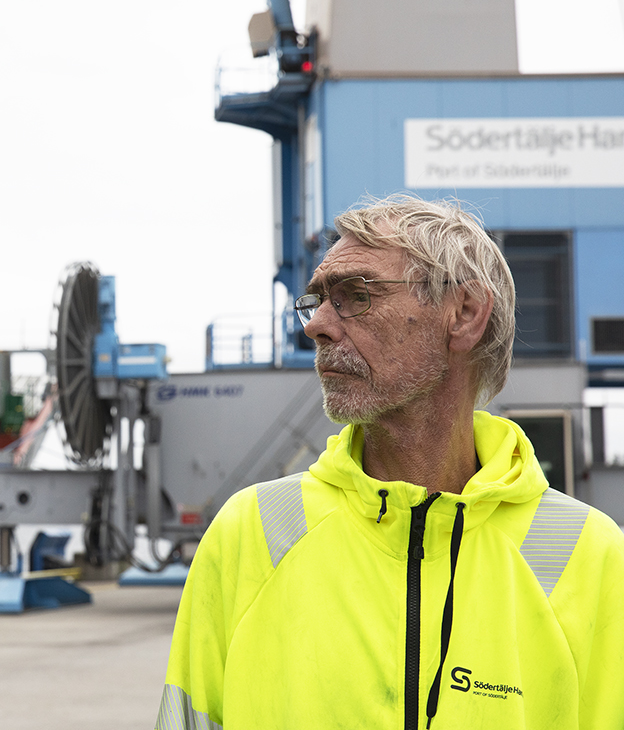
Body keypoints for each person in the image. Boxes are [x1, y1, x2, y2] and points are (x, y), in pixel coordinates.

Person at [158, 196, 624, 729]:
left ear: (465, 314)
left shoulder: (590, 555)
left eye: (356, 295)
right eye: (317, 302)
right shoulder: (251, 535)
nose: (317, 327)